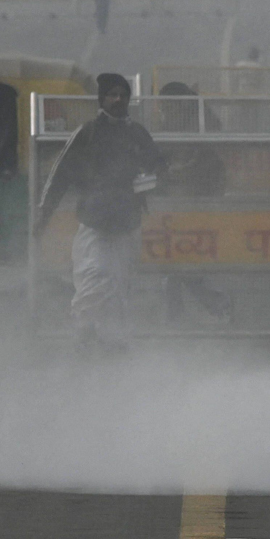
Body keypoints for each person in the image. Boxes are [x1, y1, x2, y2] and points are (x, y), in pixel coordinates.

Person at [33, 73, 163, 354]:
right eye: (112, 94)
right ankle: (84, 335)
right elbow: (59, 176)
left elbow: (157, 167)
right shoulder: (87, 133)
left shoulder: (138, 134)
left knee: (120, 285)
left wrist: (148, 178)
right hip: (95, 223)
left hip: (127, 223)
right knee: (95, 277)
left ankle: (114, 345)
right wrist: (44, 215)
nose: (118, 99)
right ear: (102, 99)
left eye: (123, 95)